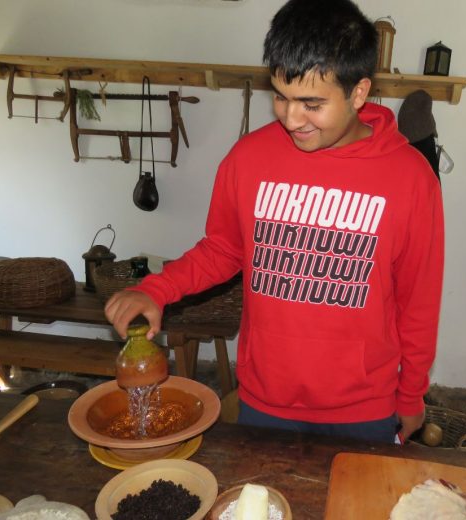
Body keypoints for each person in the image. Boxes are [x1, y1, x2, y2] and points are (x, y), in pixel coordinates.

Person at [105, 0, 444, 444]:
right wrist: (154, 290)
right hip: (265, 401)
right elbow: (224, 249)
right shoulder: (248, 158)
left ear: (359, 93)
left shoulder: (411, 177)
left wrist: (412, 394)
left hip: (364, 407)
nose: (291, 117)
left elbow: (418, 300)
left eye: (311, 104)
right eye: (281, 97)